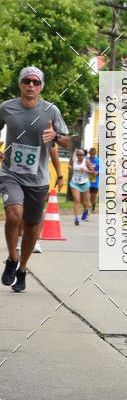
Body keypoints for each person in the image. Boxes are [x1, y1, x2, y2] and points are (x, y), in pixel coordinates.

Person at [0, 66, 69, 293]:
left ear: (41, 86)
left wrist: (56, 136)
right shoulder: (7, 108)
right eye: (27, 81)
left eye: (36, 82)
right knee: (13, 214)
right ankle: (12, 258)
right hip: (10, 172)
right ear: (20, 84)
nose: (31, 85)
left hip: (38, 179)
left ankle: (22, 268)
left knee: (31, 227)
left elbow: (67, 141)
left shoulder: (51, 111)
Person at [17, 144, 63, 255]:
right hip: (19, 175)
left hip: (40, 177)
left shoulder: (45, 133)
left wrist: (60, 176)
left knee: (39, 208)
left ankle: (35, 241)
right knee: (19, 207)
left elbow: (54, 154)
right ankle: (19, 240)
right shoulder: (19, 130)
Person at [68, 148, 95, 224]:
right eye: (78, 155)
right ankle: (76, 218)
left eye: (81, 155)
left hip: (84, 183)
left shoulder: (86, 162)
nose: (79, 156)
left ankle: (86, 210)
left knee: (84, 201)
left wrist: (86, 171)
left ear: (84, 155)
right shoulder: (74, 161)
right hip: (75, 183)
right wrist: (70, 168)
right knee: (77, 200)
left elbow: (93, 173)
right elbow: (72, 168)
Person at [88, 146, 100, 212]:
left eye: (93, 154)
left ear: (95, 154)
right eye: (91, 154)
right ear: (89, 153)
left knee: (93, 197)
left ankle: (93, 205)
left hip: (95, 181)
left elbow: (103, 171)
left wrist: (97, 173)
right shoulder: (86, 159)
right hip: (87, 180)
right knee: (86, 195)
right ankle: (87, 208)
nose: (92, 155)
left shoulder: (98, 161)